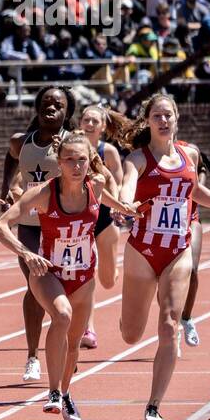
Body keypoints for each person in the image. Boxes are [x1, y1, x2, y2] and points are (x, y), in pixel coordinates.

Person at [117, 94, 210, 420]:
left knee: (169, 324)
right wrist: (124, 204)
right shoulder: (137, 158)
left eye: (168, 115)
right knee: (131, 334)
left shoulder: (189, 153)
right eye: (157, 115)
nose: (163, 121)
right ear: (147, 120)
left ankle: (153, 405)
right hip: (143, 250)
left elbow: (193, 192)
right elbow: (126, 186)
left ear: (177, 119)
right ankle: (130, 319)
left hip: (178, 248)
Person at [0, 133, 137, 420]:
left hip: (84, 276)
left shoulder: (95, 184)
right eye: (69, 160)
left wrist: (124, 209)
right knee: (61, 316)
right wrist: (26, 253)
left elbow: (105, 199)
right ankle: (54, 392)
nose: (76, 165)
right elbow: (0, 225)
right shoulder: (45, 193)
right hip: (49, 273)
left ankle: (67, 394)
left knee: (74, 344)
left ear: (89, 162)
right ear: (58, 163)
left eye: (81, 159)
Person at [1, 86, 76, 383]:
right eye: (46, 103)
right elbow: (10, 157)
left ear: (67, 112)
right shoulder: (21, 142)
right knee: (35, 285)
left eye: (58, 105)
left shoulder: (73, 142)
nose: (51, 108)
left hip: (64, 226)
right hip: (31, 226)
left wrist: (65, 156)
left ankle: (67, 352)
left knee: (66, 293)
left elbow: (93, 172)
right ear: (37, 107)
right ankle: (32, 356)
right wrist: (4, 185)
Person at [76, 104, 127, 350]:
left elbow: (115, 182)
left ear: (103, 127)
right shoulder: (71, 149)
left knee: (108, 281)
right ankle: (89, 329)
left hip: (105, 219)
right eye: (86, 119)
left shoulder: (108, 152)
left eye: (95, 121)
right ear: (79, 123)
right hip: (81, 219)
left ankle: (113, 269)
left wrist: (118, 204)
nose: (90, 124)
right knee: (87, 275)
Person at [180, 150, 210, 351]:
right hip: (161, 228)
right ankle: (170, 324)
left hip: (190, 219)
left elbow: (199, 183)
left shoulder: (189, 153)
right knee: (164, 279)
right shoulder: (152, 155)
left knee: (192, 270)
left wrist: (198, 179)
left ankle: (185, 319)